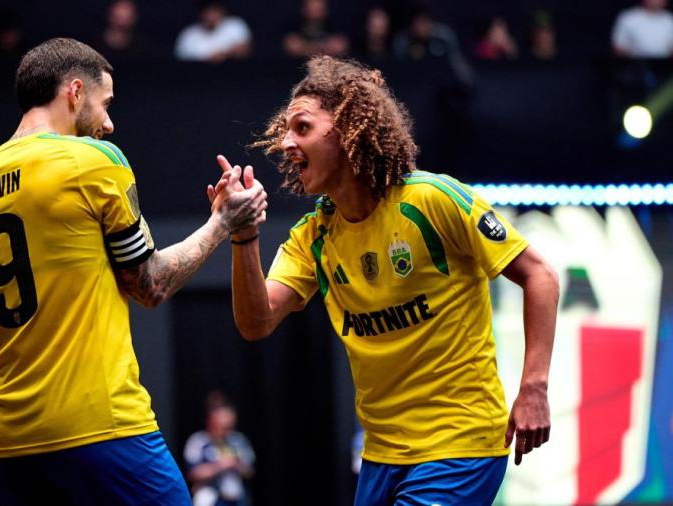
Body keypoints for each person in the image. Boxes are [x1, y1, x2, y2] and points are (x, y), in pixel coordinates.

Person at [213, 56, 558, 505]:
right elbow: (256, 322)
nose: (285, 143)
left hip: (460, 444)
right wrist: (243, 234)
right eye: (286, 131)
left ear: (348, 129)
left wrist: (534, 387)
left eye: (302, 128)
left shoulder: (431, 199)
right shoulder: (314, 236)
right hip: (381, 456)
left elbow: (540, 275)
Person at [0, 38, 267, 505]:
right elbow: (151, 285)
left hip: (12, 449)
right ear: (75, 92)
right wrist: (222, 222)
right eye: (105, 103)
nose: (109, 123)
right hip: (103, 431)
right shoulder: (94, 161)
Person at [183, 394, 255, 506]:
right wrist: (221, 465)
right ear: (211, 421)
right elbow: (192, 473)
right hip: (209, 498)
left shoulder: (238, 441)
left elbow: (250, 471)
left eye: (229, 426)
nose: (226, 431)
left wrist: (237, 464)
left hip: (237, 498)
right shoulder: (198, 441)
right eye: (222, 426)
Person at [174, 0, 252, 62]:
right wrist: (209, 58)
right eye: (207, 11)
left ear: (222, 11)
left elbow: (244, 50)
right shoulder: (188, 34)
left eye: (214, 10)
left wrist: (225, 54)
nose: (210, 15)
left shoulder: (234, 25)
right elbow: (180, 61)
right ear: (200, 13)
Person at [283, 0, 348, 58]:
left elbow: (340, 47)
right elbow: (291, 47)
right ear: (304, 8)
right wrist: (325, 48)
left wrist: (304, 48)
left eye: (318, 8)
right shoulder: (293, 25)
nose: (315, 11)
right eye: (311, 7)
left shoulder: (335, 25)